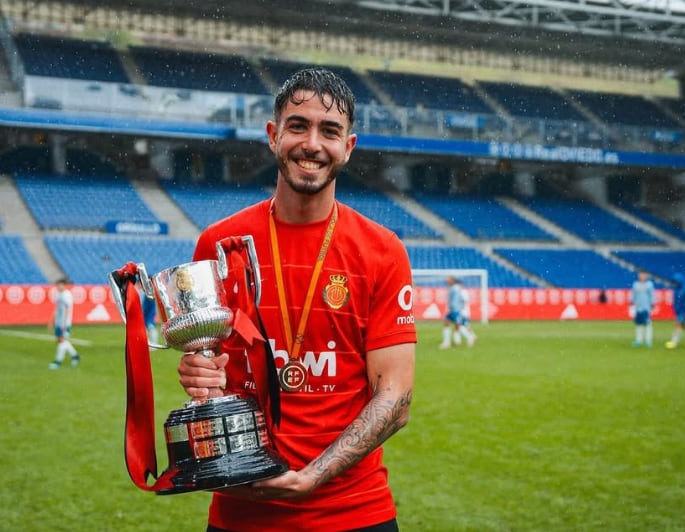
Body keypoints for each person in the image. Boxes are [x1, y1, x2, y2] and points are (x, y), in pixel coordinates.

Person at [177, 68, 416, 532]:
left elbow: (396, 398)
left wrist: (310, 478)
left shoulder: (383, 252)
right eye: (298, 125)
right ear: (273, 135)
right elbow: (214, 378)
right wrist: (199, 373)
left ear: (348, 147)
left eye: (330, 131)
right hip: (241, 514)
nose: (312, 144)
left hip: (354, 513)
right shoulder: (219, 244)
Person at [48, 277, 80, 369]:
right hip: (59, 322)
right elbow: (57, 308)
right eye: (57, 285)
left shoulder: (67, 295)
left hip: (64, 323)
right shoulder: (58, 294)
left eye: (59, 285)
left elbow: (67, 309)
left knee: (62, 341)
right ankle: (75, 356)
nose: (57, 287)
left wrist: (64, 324)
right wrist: (52, 321)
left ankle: (58, 362)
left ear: (64, 285)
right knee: (60, 340)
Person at [439, 276, 476, 349]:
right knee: (448, 323)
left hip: (455, 310)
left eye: (448, 280)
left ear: (452, 280)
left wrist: (458, 308)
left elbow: (460, 299)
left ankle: (469, 337)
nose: (447, 281)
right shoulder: (454, 288)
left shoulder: (455, 288)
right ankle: (449, 342)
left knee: (458, 325)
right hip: (454, 309)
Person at [630, 269, 654, 348]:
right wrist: (631, 302)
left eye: (643, 275)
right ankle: (639, 340)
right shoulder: (635, 284)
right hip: (638, 307)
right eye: (640, 274)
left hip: (646, 307)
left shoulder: (649, 285)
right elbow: (633, 294)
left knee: (647, 324)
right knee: (638, 324)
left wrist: (652, 303)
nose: (642, 276)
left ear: (646, 276)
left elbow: (652, 295)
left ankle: (648, 341)